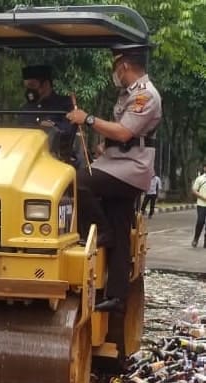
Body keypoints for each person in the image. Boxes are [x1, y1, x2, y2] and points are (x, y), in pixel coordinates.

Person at [67, 44, 162, 313]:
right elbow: (125, 136)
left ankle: (101, 229)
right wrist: (104, 146)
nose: (114, 73)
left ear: (124, 66)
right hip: (119, 162)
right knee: (121, 231)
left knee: (78, 181)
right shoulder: (129, 94)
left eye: (114, 68)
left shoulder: (145, 95)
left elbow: (123, 133)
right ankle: (117, 297)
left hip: (130, 168)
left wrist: (87, 119)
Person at [191, 164, 206, 247]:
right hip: (201, 204)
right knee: (200, 221)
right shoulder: (200, 179)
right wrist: (203, 197)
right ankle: (196, 239)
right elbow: (194, 190)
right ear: (204, 168)